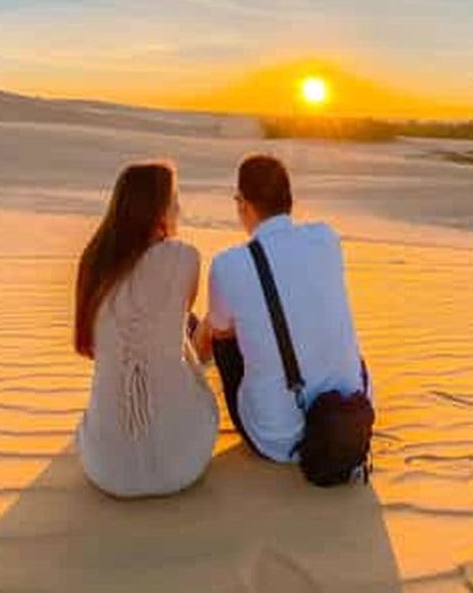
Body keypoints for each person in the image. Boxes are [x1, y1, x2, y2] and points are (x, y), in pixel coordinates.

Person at [192, 154, 369, 463]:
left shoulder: (228, 264)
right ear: (290, 201)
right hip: (353, 419)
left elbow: (220, 333)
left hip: (279, 439)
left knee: (221, 330)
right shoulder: (326, 238)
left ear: (243, 204)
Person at [75, 162, 218, 497]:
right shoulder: (186, 257)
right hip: (183, 466)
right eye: (174, 200)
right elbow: (182, 309)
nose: (179, 209)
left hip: (104, 469)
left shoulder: (93, 261)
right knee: (186, 331)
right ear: (156, 210)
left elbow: (93, 345)